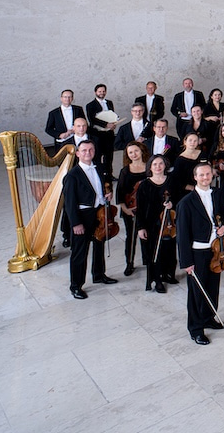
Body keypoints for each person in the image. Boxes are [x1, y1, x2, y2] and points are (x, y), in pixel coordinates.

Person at [176, 162, 224, 345]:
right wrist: (186, 262)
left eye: (208, 174)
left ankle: (208, 317)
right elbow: (182, 235)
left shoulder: (217, 194)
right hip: (197, 253)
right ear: (195, 177)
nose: (206, 178)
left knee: (212, 287)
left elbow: (222, 216)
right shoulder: (186, 202)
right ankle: (196, 329)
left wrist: (223, 227)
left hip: (215, 250)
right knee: (197, 293)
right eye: (202, 175)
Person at [62, 140, 118, 299]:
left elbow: (103, 187)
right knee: (80, 252)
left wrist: (108, 194)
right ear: (78, 154)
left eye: (91, 150)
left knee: (99, 244)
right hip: (83, 216)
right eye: (84, 150)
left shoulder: (99, 167)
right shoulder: (72, 176)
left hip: (99, 212)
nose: (88, 153)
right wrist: (76, 223)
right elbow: (69, 203)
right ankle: (76, 286)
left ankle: (99, 274)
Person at [135, 154, 176, 293]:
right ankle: (157, 280)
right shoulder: (144, 185)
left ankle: (168, 274)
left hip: (169, 223)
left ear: (165, 165)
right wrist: (141, 227)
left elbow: (179, 198)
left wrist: (172, 204)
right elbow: (140, 209)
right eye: (155, 164)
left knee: (169, 250)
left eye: (161, 164)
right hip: (151, 223)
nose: (158, 167)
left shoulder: (172, 181)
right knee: (154, 252)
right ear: (150, 167)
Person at [116, 141, 149, 276]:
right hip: (130, 208)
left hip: (147, 209)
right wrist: (125, 209)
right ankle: (129, 263)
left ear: (141, 151)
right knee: (131, 236)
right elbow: (120, 193)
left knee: (147, 235)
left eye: (136, 151)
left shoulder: (150, 168)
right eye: (130, 152)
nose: (133, 154)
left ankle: (148, 260)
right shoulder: (125, 171)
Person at [85, 84, 117, 179]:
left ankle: (109, 174)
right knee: (97, 155)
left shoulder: (109, 103)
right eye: (99, 91)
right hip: (97, 135)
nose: (102, 93)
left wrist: (113, 124)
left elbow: (112, 115)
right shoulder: (90, 105)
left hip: (109, 134)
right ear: (95, 92)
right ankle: (98, 175)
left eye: (103, 91)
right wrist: (106, 124)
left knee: (109, 155)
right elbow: (92, 120)